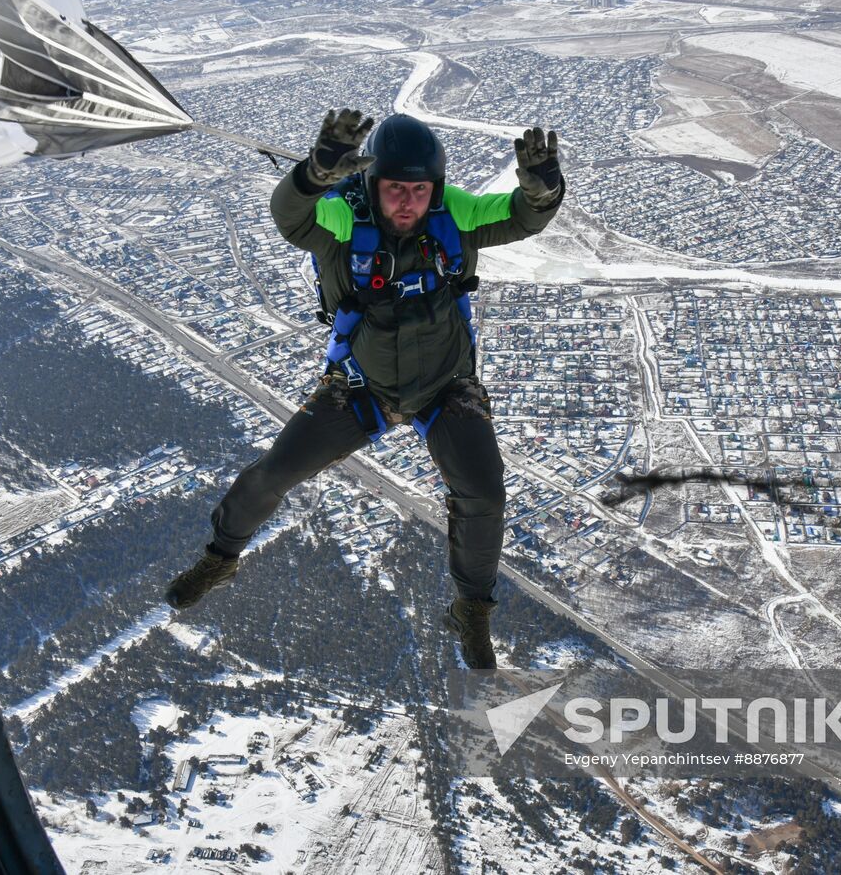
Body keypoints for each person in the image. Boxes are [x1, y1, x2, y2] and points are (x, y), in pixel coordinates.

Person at [166, 108, 565, 669]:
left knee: (484, 495)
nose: (407, 202)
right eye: (395, 189)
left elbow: (521, 216)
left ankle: (472, 610)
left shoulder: (457, 213)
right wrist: (315, 173)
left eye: (419, 190)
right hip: (361, 386)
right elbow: (291, 215)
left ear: (436, 189)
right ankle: (220, 557)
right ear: (371, 185)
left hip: (446, 385)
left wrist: (543, 189)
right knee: (274, 472)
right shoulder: (342, 220)